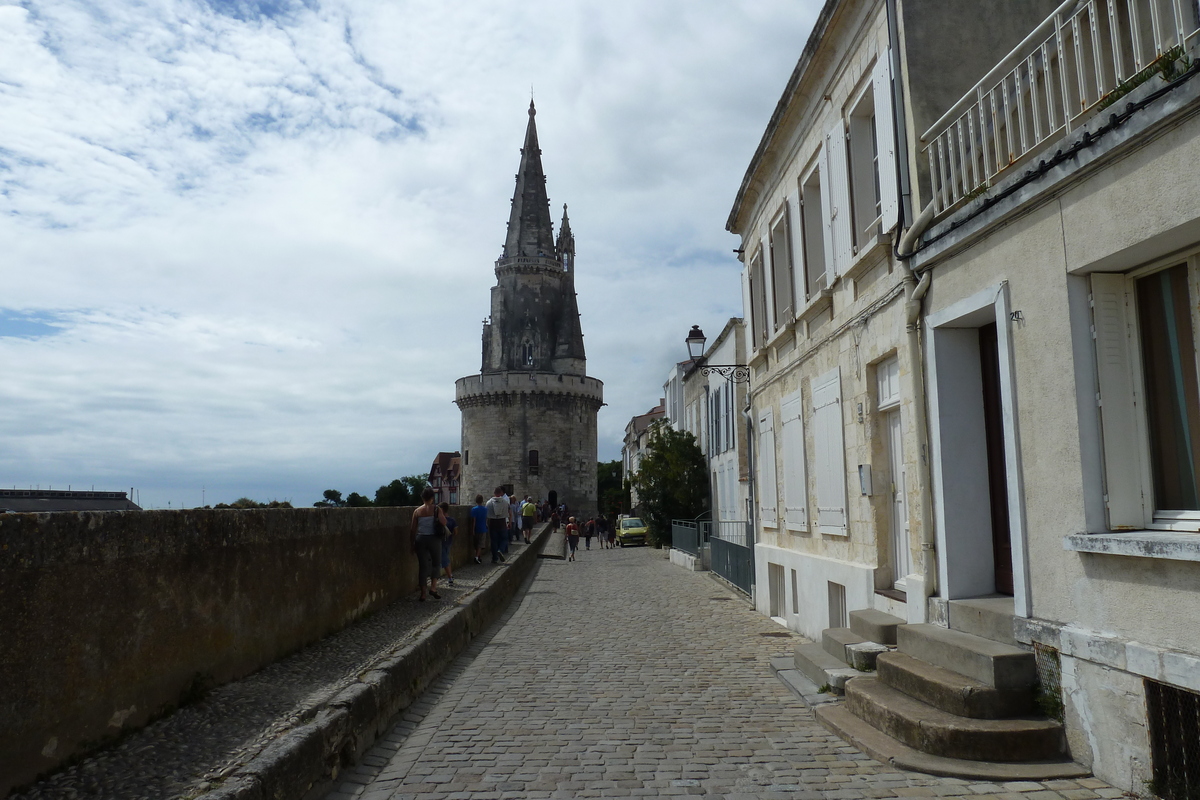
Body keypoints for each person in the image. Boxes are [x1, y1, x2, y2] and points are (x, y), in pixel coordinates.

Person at [410, 487, 447, 601]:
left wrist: (412, 544)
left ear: (422, 498)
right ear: (432, 498)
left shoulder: (417, 511)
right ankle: (433, 588)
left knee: (423, 566)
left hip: (420, 538)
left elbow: (412, 529)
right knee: (436, 563)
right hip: (434, 539)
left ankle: (423, 594)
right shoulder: (436, 509)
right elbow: (444, 522)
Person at [485, 486, 510, 563]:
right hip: (502, 522)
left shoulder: (489, 503)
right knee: (504, 538)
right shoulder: (505, 502)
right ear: (500, 493)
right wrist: (508, 522)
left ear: (494, 493)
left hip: (492, 523)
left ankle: (494, 558)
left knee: (494, 541)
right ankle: (501, 550)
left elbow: (487, 515)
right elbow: (507, 513)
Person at [438, 502, 457, 585]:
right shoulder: (452, 520)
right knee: (446, 559)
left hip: (441, 542)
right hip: (449, 541)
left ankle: (450, 578)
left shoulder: (440, 520)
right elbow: (456, 532)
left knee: (445, 560)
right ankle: (451, 576)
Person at [469, 494, 488, 564]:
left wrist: (473, 530)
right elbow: (486, 519)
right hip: (483, 528)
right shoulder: (485, 509)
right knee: (480, 544)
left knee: (476, 544)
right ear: (482, 501)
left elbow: (474, 521)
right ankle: (477, 557)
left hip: (477, 528)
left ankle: (477, 556)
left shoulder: (474, 509)